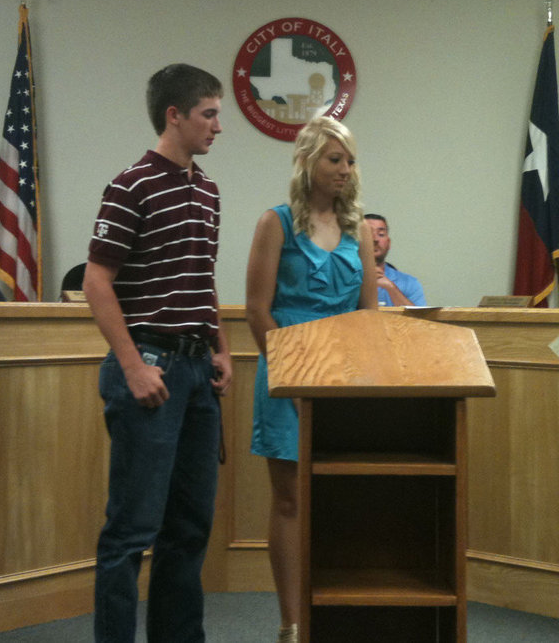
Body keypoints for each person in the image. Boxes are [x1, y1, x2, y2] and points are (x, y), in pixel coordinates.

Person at [83, 64, 232, 643]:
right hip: (150, 367)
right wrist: (131, 366)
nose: (219, 126)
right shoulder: (132, 184)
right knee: (131, 530)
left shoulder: (208, 190)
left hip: (198, 371)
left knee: (190, 527)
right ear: (175, 115)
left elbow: (202, 276)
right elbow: (98, 281)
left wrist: (219, 346)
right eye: (209, 113)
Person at [245, 116, 376, 643]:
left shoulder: (360, 230)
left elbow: (368, 315)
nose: (344, 170)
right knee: (290, 500)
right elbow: (257, 310)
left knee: (340, 495)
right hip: (286, 374)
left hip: (344, 377)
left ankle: (337, 611)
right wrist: (291, 375)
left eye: (349, 160)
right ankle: (292, 622)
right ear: (307, 163)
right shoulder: (275, 223)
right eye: (333, 159)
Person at [364, 213, 426, 306]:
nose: (375, 239)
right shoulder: (341, 280)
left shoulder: (409, 283)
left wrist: (391, 288)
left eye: (381, 234)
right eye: (367, 233)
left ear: (388, 243)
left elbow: (419, 320)